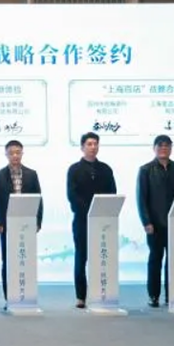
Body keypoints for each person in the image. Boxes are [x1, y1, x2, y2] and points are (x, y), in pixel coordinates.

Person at [136, 134, 174, 308]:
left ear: (171, 148)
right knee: (155, 259)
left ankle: (171, 295)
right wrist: (146, 222)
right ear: (154, 148)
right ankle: (153, 296)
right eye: (160, 145)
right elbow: (141, 199)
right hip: (155, 224)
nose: (164, 148)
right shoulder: (146, 170)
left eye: (167, 145)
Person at [0, 140, 43, 309]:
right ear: (6, 154)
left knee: (26, 259)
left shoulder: (31, 174)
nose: (15, 155)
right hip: (7, 225)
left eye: (18, 152)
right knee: (8, 261)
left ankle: (27, 295)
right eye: (11, 152)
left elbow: (38, 199)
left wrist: (38, 221)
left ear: (22, 153)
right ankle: (10, 298)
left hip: (27, 224)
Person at [66, 132, 116, 308]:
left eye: (95, 144)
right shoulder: (74, 169)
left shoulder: (106, 169)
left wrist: (103, 211)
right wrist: (89, 210)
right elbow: (72, 195)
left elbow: (112, 193)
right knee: (81, 258)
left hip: (103, 222)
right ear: (82, 147)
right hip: (82, 220)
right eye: (89, 144)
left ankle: (101, 293)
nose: (93, 147)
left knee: (102, 257)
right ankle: (81, 296)